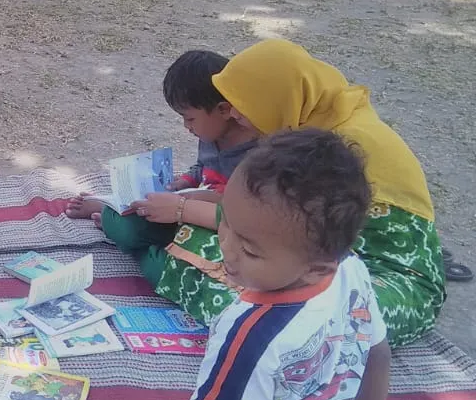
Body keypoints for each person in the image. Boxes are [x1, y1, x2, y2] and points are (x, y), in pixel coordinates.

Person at [147, 129, 390, 400]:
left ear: (316, 267)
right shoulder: (351, 269)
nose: (227, 250)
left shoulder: (249, 332)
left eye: (251, 251)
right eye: (226, 223)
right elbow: (377, 349)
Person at [133, 39, 445, 345]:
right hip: (318, 257)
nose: (235, 115)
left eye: (243, 105)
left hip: (389, 288)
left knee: (257, 297)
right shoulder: (313, 123)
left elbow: (275, 230)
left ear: (275, 100)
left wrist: (183, 209)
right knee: (219, 249)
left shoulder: (329, 146)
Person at [67, 50, 260, 286]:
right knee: (127, 227)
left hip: (221, 227)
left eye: (190, 119)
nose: (186, 127)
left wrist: (193, 204)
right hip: (185, 211)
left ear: (224, 110)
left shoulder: (260, 155)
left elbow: (247, 215)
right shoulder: (212, 134)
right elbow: (203, 167)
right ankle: (111, 211)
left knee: (162, 268)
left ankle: (145, 249)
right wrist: (187, 181)